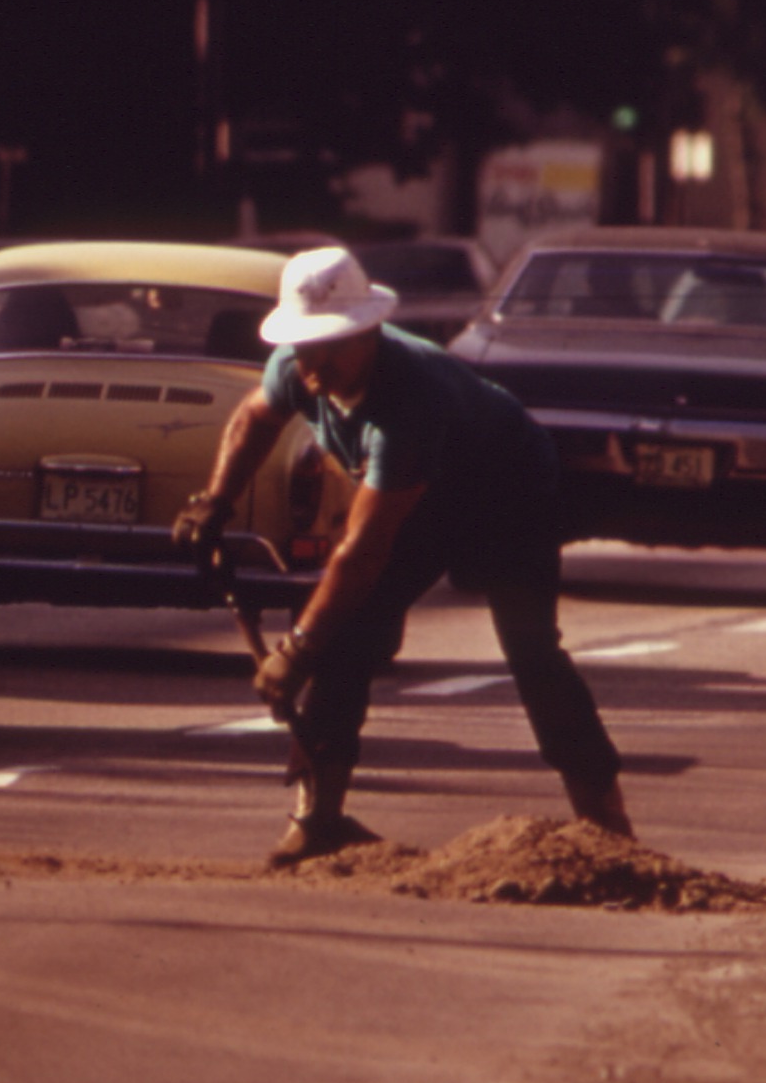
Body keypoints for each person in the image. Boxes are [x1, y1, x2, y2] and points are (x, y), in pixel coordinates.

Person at [173, 244, 630, 865]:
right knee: (347, 636)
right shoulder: (298, 365)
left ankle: (604, 824)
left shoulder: (409, 400)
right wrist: (215, 499)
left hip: (509, 491)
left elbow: (361, 551)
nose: (315, 365)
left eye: (331, 346)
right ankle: (318, 819)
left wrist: (296, 651)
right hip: (424, 496)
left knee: (530, 649)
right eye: (306, 347)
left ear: (369, 332)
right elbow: (256, 417)